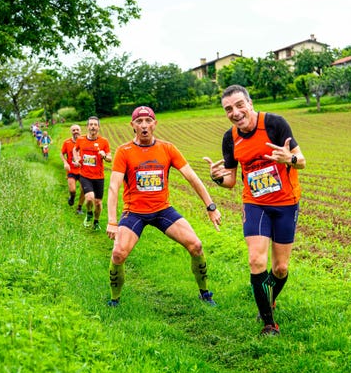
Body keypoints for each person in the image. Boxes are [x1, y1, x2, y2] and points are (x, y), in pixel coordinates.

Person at [204, 84, 306, 336]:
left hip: (285, 202)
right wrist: (217, 177)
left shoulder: (274, 124)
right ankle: (269, 322)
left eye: (239, 105)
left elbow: (301, 161)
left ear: (250, 103)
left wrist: (288, 159)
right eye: (228, 109)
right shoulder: (230, 138)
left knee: (280, 268)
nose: (235, 112)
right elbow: (230, 182)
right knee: (256, 260)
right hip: (256, 204)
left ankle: (268, 299)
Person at [106, 106, 222, 308]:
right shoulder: (123, 151)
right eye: (139, 122)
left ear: (155, 124)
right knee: (118, 254)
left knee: (196, 245)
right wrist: (112, 221)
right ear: (132, 125)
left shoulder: (167, 148)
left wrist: (210, 206)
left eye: (148, 121)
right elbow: (113, 187)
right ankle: (114, 300)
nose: (144, 126)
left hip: (162, 210)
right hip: (134, 213)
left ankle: (205, 293)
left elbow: (192, 178)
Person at [73, 116, 112, 230]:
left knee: (98, 203)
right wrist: (76, 159)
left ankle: (96, 221)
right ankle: (89, 213)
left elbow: (110, 158)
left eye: (95, 124)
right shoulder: (81, 140)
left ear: (98, 127)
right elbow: (75, 149)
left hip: (99, 177)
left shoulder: (103, 141)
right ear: (87, 127)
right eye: (91, 124)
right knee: (89, 198)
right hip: (85, 175)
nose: (93, 126)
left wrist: (104, 155)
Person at [60, 124, 85, 213]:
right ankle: (72, 197)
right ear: (71, 132)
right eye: (73, 130)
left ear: (80, 130)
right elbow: (61, 153)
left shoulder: (85, 141)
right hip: (71, 170)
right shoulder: (67, 142)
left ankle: (79, 207)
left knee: (84, 189)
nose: (76, 132)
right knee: (72, 190)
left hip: (83, 171)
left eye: (77, 129)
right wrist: (65, 162)